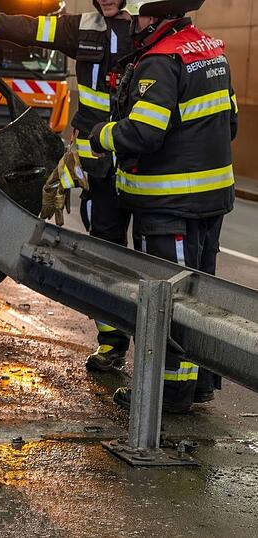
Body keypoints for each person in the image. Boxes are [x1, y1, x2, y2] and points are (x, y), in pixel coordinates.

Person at [0, 1, 137, 372]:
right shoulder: (83, 28)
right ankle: (112, 343)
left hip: (141, 164)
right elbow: (25, 28)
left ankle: (169, 356)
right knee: (104, 255)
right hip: (98, 168)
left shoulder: (150, 27)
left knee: (157, 262)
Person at [89, 0, 236, 413]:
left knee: (168, 301)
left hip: (168, 205)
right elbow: (233, 123)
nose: (136, 25)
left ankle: (170, 395)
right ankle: (199, 384)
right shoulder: (210, 50)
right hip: (212, 200)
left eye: (139, 17)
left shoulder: (160, 61)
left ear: (154, 15)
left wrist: (100, 135)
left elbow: (143, 134)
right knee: (202, 296)